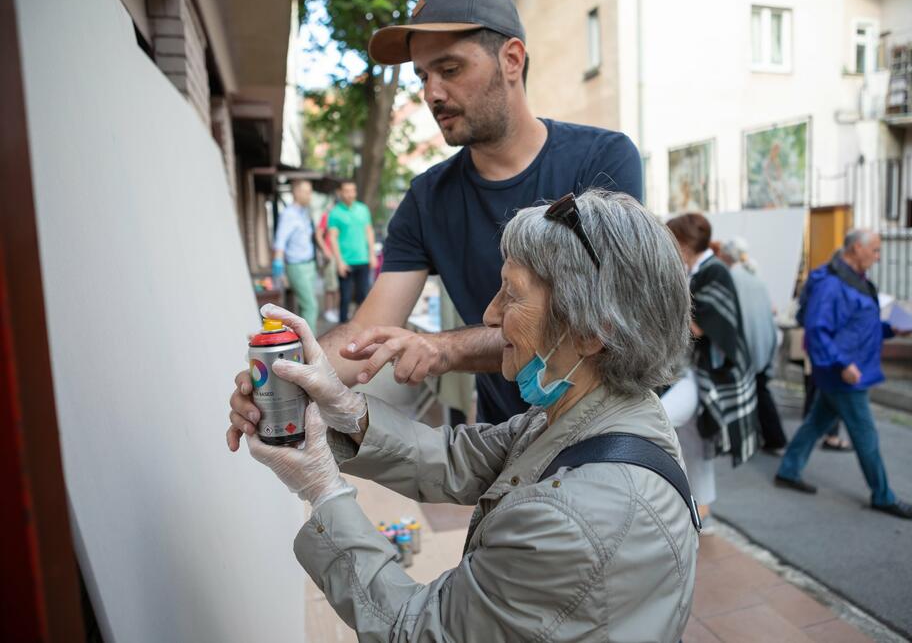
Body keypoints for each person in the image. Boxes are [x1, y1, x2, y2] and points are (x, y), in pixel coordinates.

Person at [231, 192, 698, 642]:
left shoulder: (576, 518)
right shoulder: (597, 412)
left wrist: (325, 493)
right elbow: (459, 458)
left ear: (593, 331)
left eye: (512, 295)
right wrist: (338, 410)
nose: (490, 314)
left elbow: (418, 632)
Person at [227, 0, 642, 436]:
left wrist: (443, 348)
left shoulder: (602, 160)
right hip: (505, 445)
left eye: (450, 69)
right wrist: (282, 377)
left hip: (609, 440)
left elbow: (587, 323)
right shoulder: (428, 197)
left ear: (512, 59)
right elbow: (368, 331)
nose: (431, 93)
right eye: (423, 76)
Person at [776, 229, 912, 520]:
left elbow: (858, 327)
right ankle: (883, 495)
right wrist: (843, 364)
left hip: (847, 371)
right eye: (875, 251)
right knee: (865, 434)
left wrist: (893, 329)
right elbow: (818, 330)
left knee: (816, 423)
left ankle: (788, 470)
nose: (878, 257)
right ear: (856, 248)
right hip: (844, 374)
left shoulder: (853, 280)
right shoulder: (832, 285)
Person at [662, 214, 759, 526]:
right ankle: (702, 510)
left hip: (708, 371)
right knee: (692, 440)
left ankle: (670, 502)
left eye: (674, 241)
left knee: (660, 420)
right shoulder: (701, 270)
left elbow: (701, 326)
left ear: (686, 244)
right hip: (697, 369)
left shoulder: (713, 271)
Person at [717, 238, 786, 453]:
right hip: (761, 346)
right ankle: (774, 439)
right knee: (760, 392)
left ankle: (749, 440)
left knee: (740, 394)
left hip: (743, 350)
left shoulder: (729, 278)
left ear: (726, 255)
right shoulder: (755, 279)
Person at [272, 179, 319, 333]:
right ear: (296, 192)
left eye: (310, 191)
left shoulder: (304, 213)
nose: (309, 195)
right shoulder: (288, 214)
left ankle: (302, 341)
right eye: (306, 192)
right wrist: (278, 265)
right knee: (311, 306)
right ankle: (311, 344)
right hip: (296, 267)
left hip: (309, 265)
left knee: (304, 306)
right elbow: (280, 241)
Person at [325, 180, 375, 322]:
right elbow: (333, 238)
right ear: (341, 193)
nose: (350, 194)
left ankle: (361, 327)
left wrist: (372, 254)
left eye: (352, 190)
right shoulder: (335, 213)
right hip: (345, 262)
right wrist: (339, 262)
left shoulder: (363, 209)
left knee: (363, 297)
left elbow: (369, 231)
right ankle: (343, 329)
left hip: (363, 259)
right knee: (345, 298)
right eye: (346, 191)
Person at [315, 191, 340, 325]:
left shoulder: (342, 215)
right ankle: (329, 310)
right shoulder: (327, 215)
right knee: (331, 286)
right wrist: (326, 251)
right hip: (331, 255)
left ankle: (336, 309)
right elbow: (318, 234)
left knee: (340, 286)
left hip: (342, 256)